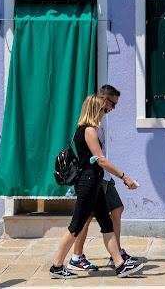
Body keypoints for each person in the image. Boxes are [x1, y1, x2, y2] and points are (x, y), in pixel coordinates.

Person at [49, 94, 145, 279]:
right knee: (76, 225)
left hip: (94, 183)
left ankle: (119, 265)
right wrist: (124, 177)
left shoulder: (85, 129)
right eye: (102, 109)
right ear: (95, 110)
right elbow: (100, 160)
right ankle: (57, 266)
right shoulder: (88, 131)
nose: (104, 112)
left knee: (106, 224)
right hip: (88, 183)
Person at [68, 85, 138, 272]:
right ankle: (76, 256)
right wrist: (124, 177)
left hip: (104, 177)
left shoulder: (97, 122)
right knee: (86, 217)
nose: (113, 109)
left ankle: (116, 255)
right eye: (113, 104)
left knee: (116, 209)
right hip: (95, 178)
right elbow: (100, 159)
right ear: (104, 102)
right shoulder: (89, 127)